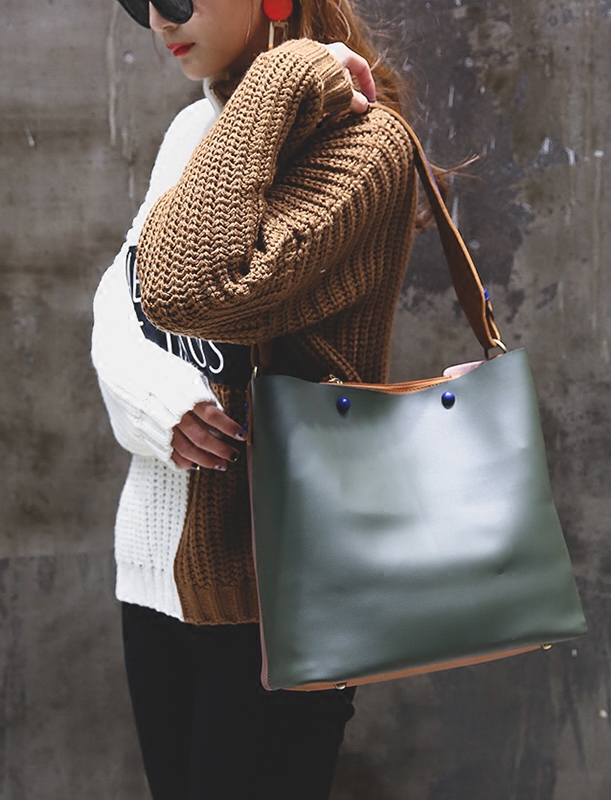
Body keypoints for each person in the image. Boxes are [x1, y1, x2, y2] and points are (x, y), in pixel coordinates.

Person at [91, 0, 420, 797]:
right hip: (154, 565)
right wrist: (160, 406)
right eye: (139, 2)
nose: (158, 20)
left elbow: (190, 290)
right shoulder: (194, 128)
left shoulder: (364, 141)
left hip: (277, 589)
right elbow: (120, 301)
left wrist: (282, 71)